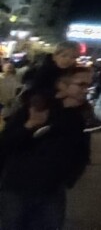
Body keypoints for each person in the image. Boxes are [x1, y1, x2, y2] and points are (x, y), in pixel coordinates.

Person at [0, 66, 92, 230]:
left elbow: (82, 152)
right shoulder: (36, 107)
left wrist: (68, 179)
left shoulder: (80, 117)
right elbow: (6, 143)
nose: (86, 90)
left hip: (52, 191)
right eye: (81, 85)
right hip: (17, 188)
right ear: (62, 85)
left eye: (88, 86)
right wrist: (30, 126)